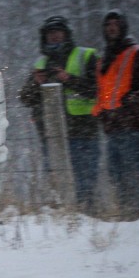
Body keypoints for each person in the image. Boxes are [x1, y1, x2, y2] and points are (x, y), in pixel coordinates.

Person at [18, 15, 100, 212]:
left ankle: (86, 212)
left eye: (58, 33)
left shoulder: (86, 55)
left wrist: (68, 79)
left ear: (66, 34)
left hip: (83, 131)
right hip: (51, 135)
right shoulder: (42, 63)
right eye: (50, 34)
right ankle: (65, 214)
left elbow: (97, 90)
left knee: (84, 179)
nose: (54, 37)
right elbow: (25, 98)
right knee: (57, 179)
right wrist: (36, 83)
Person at [92, 10, 139, 217]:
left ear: (123, 27)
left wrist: (130, 104)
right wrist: (103, 116)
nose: (111, 28)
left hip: (136, 127)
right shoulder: (104, 59)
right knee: (117, 175)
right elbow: (102, 93)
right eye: (108, 25)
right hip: (113, 129)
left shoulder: (137, 54)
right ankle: (127, 213)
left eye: (115, 24)